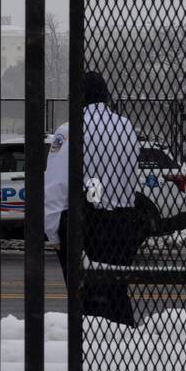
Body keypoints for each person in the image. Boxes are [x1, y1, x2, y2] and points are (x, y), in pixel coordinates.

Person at [44, 71, 140, 326]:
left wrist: (53, 233)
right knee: (116, 294)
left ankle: (88, 351)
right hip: (121, 222)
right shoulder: (126, 127)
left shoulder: (69, 130)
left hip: (84, 224)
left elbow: (56, 185)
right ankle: (124, 344)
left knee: (84, 298)